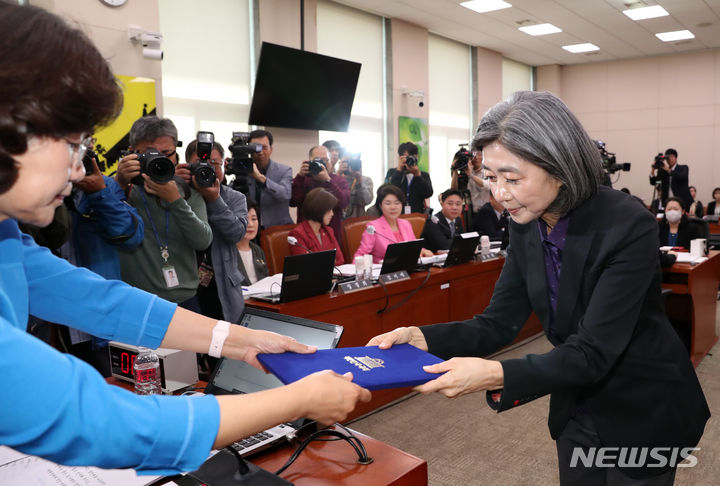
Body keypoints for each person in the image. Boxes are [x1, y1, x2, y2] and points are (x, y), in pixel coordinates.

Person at [0, 3, 370, 474]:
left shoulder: (6, 235)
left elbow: (101, 302)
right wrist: (294, 400)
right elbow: (95, 420)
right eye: (73, 144)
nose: (79, 169)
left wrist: (239, 342)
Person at [368, 91, 709, 485]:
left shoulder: (626, 223)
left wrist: (496, 374)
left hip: (644, 403)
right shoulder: (524, 223)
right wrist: (422, 338)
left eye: (512, 179)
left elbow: (592, 351)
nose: (500, 194)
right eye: (492, 178)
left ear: (560, 167)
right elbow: (497, 323)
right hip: (575, 403)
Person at [59, 144, 145, 376]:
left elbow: (131, 235)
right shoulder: (38, 193)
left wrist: (98, 193)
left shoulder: (105, 187)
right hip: (56, 322)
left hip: (98, 318)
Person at [115, 116, 213, 312]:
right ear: (132, 153)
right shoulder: (122, 191)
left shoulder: (187, 192)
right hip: (137, 301)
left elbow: (203, 241)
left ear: (176, 155)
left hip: (186, 300)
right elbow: (101, 225)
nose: (158, 160)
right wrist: (119, 183)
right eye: (149, 154)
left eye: (166, 153)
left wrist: (175, 201)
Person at [183, 138, 248, 324]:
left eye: (214, 163)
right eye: (200, 164)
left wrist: (214, 200)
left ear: (223, 167)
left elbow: (236, 233)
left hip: (223, 284)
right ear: (187, 166)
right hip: (187, 282)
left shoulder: (235, 197)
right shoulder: (177, 192)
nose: (208, 169)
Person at [354, 184, 433, 264]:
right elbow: (361, 254)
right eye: (388, 203)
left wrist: (422, 251)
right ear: (380, 206)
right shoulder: (373, 227)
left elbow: (412, 247)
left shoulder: (406, 224)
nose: (393, 207)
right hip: (382, 272)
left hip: (407, 268)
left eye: (397, 203)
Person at [290, 144, 350, 245]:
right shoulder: (303, 180)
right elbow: (292, 201)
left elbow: (343, 202)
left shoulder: (338, 180)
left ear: (331, 162)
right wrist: (300, 176)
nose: (321, 164)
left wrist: (328, 180)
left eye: (325, 160)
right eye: (317, 161)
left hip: (332, 235)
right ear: (309, 162)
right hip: (306, 237)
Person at [246, 129, 293, 228]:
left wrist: (261, 179)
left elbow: (285, 194)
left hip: (276, 229)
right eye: (256, 148)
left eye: (264, 147)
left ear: (271, 149)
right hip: (249, 228)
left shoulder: (284, 170)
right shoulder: (243, 170)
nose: (260, 152)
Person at [288, 188, 345, 266]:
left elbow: (340, 260)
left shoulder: (329, 231)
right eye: (329, 210)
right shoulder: (297, 234)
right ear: (319, 209)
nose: (332, 214)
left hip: (333, 276)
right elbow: (305, 266)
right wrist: (330, 262)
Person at [384, 142, 433, 214]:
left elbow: (428, 193)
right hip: (397, 215)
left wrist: (418, 175)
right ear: (400, 157)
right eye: (405, 157)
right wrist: (399, 170)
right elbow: (387, 191)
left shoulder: (424, 175)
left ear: (416, 157)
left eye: (411, 157)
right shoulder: (392, 172)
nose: (408, 160)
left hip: (417, 215)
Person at [236, 199, 269, 285]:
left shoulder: (258, 250)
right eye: (245, 219)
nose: (250, 224)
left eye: (254, 219)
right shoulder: (225, 251)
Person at [338, 149, 374, 219]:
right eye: (347, 162)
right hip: (337, 220)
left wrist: (359, 181)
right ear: (340, 163)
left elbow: (366, 201)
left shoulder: (366, 180)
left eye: (353, 162)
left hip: (356, 221)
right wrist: (338, 173)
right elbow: (329, 200)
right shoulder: (336, 178)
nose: (350, 165)